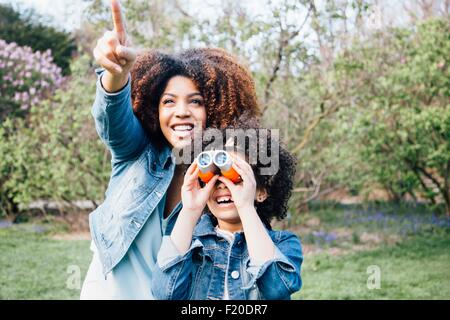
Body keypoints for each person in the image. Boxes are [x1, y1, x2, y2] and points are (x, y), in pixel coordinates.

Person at [80, 0, 260, 299]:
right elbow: (112, 117)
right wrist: (116, 74)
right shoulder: (135, 153)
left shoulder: (225, 177)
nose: (182, 112)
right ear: (154, 108)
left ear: (216, 109)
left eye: (196, 101)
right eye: (168, 101)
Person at [151, 128, 303, 300]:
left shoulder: (283, 243)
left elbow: (277, 289)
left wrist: (246, 207)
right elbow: (165, 293)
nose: (222, 185)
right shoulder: (189, 244)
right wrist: (190, 210)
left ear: (261, 191)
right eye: (212, 178)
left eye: (235, 176)